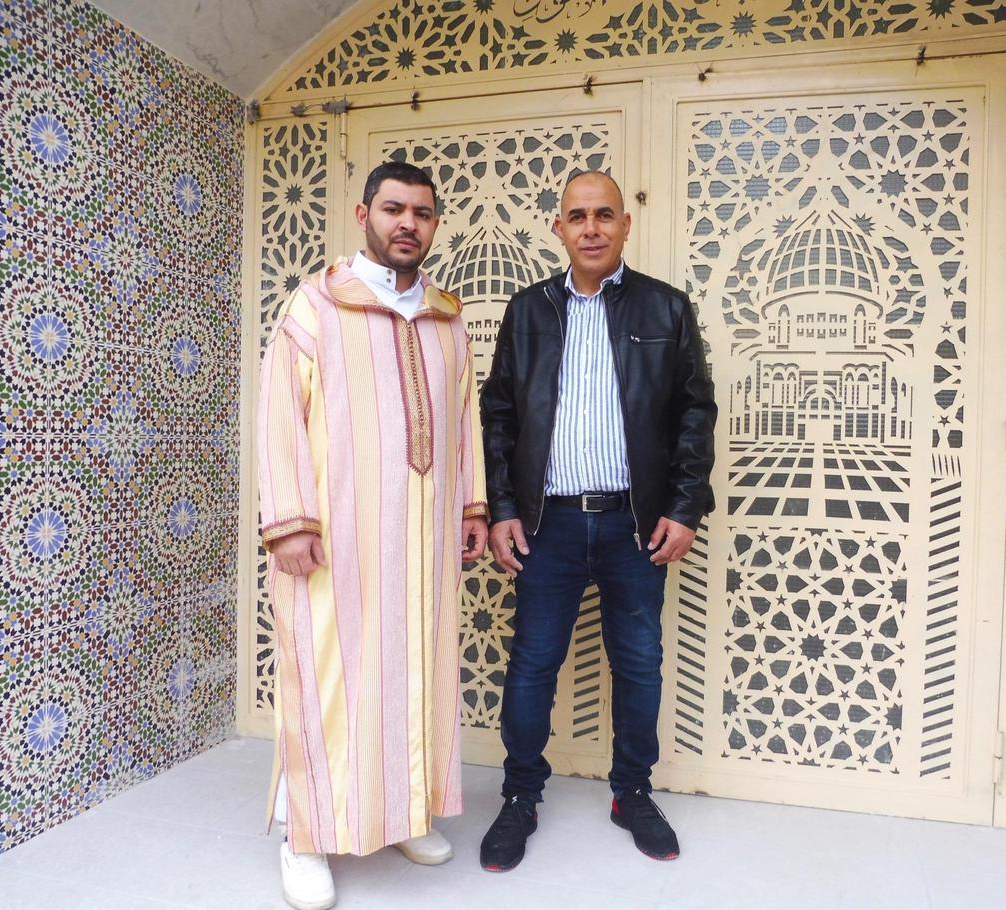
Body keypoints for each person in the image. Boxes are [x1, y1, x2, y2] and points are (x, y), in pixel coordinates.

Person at [257, 160, 488, 910]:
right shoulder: (316, 306)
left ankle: (402, 814)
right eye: (394, 209)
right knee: (329, 679)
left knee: (412, 672)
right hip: (334, 541)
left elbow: (464, 427)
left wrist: (471, 510)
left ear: (434, 225)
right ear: (364, 213)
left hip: (420, 546)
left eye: (421, 213)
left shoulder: (448, 319)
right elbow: (278, 420)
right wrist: (289, 522)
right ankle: (307, 837)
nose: (407, 224)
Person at [477, 170, 717, 871]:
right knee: (531, 666)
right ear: (558, 227)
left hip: (632, 525)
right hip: (545, 526)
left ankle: (632, 792)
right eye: (576, 216)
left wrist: (682, 507)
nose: (590, 228)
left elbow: (693, 414)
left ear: (624, 225)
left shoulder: (666, 310)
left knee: (639, 665)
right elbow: (498, 416)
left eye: (603, 214)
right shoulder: (528, 312)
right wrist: (502, 509)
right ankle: (520, 796)